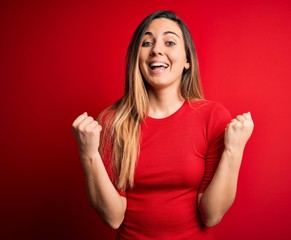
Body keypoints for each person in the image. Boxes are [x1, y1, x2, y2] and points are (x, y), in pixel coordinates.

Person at [72, 10, 254, 240]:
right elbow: (113, 217)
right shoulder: (112, 121)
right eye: (147, 43)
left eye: (169, 42)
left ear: (187, 60)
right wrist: (88, 154)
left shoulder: (213, 117)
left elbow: (212, 215)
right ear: (136, 58)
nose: (157, 50)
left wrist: (233, 150)